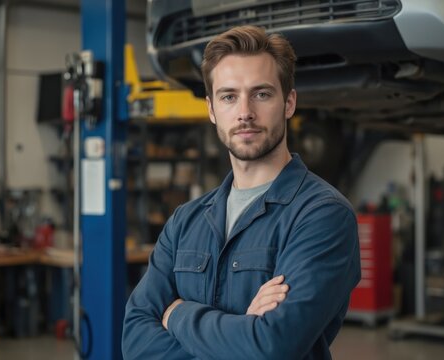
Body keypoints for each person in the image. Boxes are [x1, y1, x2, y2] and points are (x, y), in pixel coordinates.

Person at [122, 25, 360, 360]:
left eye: (261, 94)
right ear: (211, 110)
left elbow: (271, 346)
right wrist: (242, 330)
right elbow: (135, 341)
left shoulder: (323, 215)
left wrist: (177, 313)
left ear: (289, 102)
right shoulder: (185, 221)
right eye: (229, 96)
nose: (245, 112)